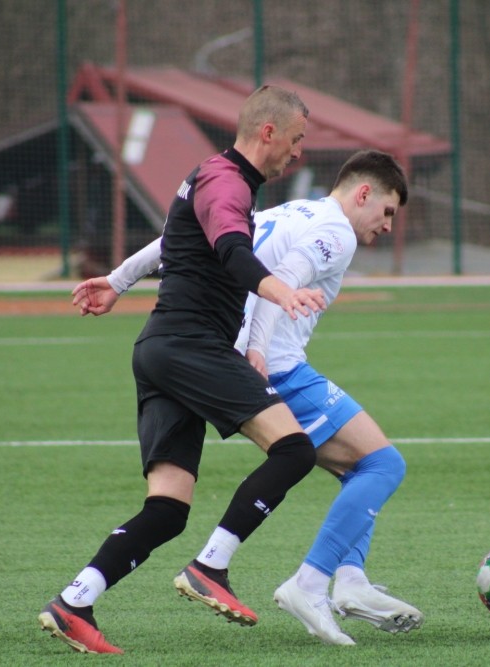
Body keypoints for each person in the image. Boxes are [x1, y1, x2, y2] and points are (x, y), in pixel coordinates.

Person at [71, 150, 423, 646]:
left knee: (355, 469)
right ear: (363, 193)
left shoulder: (287, 211)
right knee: (382, 465)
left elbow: (179, 239)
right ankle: (308, 583)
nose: (387, 225)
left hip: (206, 355)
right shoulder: (337, 232)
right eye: (387, 211)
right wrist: (258, 349)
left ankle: (350, 579)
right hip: (271, 365)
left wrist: (117, 279)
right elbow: (283, 283)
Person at [38, 84, 326, 655]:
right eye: (296, 140)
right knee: (295, 450)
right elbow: (232, 252)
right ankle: (210, 566)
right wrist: (282, 291)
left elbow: (171, 240)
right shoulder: (227, 180)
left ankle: (74, 601)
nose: (298, 153)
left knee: (168, 508)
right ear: (268, 132)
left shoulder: (214, 178)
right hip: (191, 346)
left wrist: (117, 281)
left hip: (161, 349)